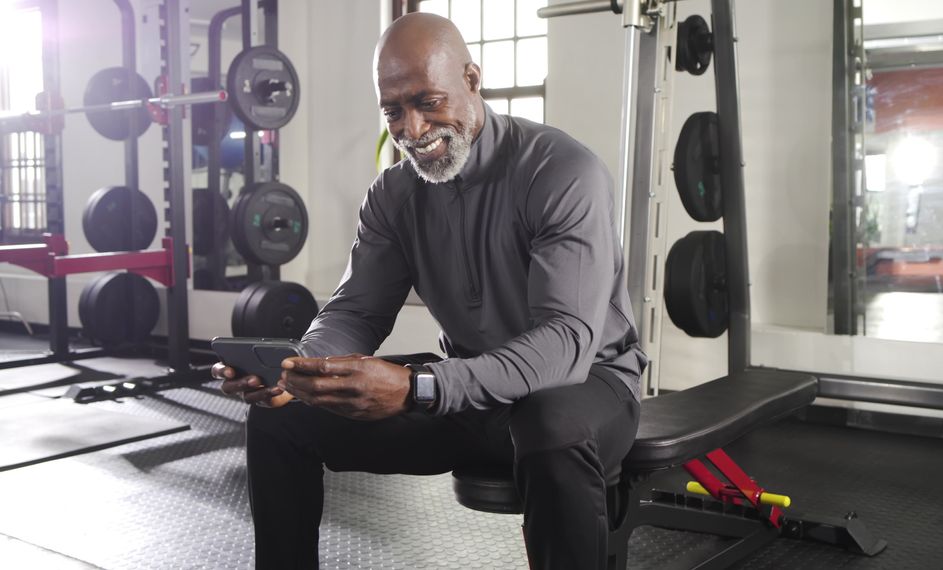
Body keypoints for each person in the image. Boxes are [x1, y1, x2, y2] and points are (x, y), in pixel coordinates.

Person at [213, 12, 646, 570]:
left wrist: (422, 387)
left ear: (471, 80)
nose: (412, 130)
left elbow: (565, 343)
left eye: (428, 102)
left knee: (549, 424)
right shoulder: (393, 194)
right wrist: (299, 368)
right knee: (283, 414)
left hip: (588, 386)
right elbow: (357, 310)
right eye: (393, 110)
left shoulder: (561, 171)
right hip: (468, 395)